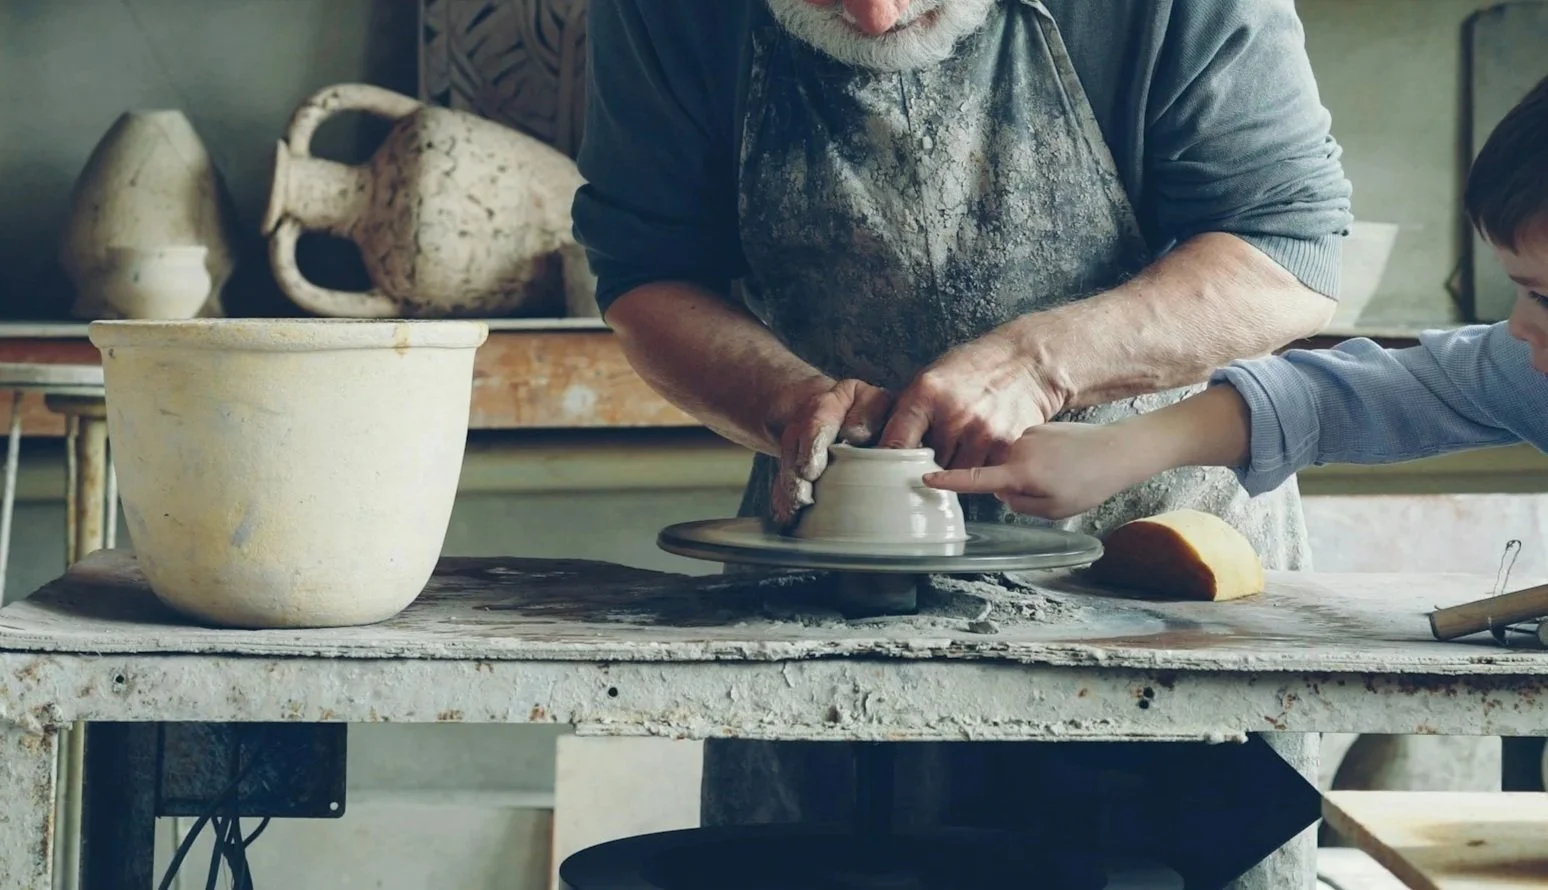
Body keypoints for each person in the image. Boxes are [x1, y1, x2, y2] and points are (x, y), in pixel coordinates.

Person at [573, 1, 1351, 885]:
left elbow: (1290, 251)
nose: (873, 17)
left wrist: (1041, 362)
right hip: (835, 569)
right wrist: (787, 403)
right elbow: (646, 271)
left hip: (1151, 561)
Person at [925, 73, 1548, 519]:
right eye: (1520, 291)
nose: (1518, 327)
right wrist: (1120, 451)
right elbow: (1339, 398)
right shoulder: (1526, 376)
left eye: (1544, 298)